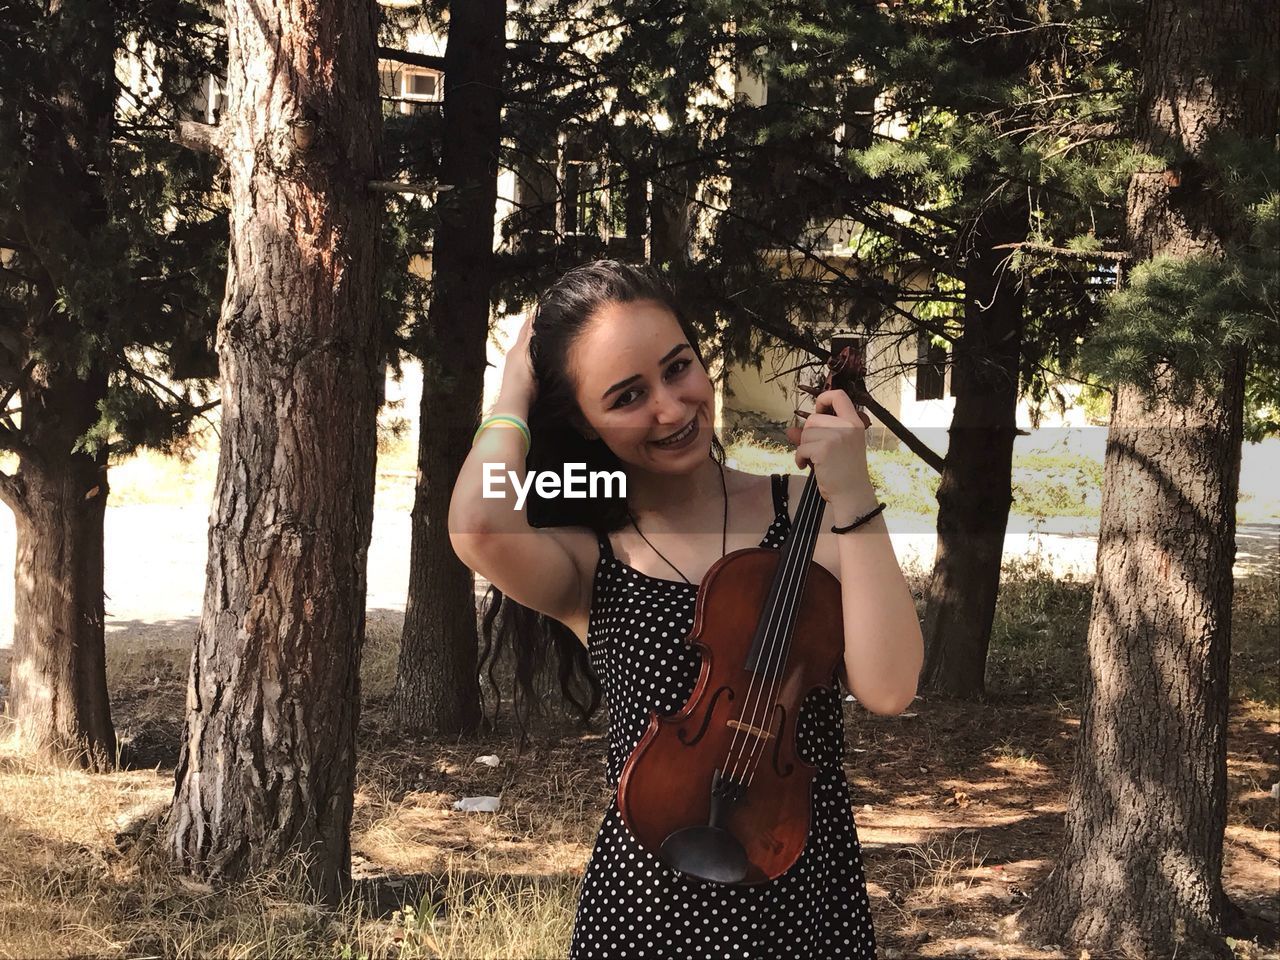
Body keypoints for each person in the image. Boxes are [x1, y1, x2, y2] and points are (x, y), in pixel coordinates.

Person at [449, 259, 923, 959]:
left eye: (678, 368)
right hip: (646, 909)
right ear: (582, 422)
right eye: (627, 396)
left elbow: (889, 688)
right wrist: (514, 386)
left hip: (797, 891)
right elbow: (480, 527)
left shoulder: (807, 515)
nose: (670, 408)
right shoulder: (590, 556)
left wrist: (851, 493)